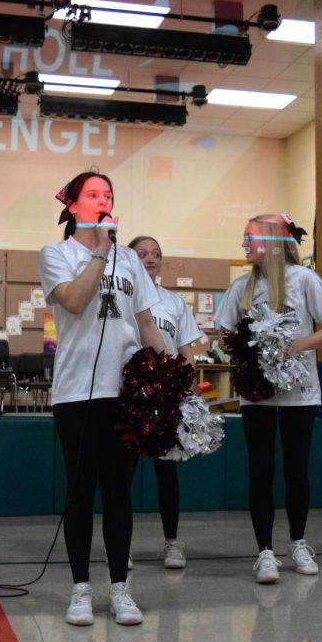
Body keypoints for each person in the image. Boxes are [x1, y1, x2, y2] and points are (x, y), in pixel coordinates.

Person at [39, 171, 167, 626]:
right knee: (80, 492)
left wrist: (172, 378)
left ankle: (119, 588)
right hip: (76, 392)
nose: (102, 200)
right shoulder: (56, 255)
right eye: (93, 195)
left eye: (108, 195)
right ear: (72, 205)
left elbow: (147, 324)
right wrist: (98, 251)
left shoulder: (130, 260)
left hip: (125, 392)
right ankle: (79, 589)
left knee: (119, 494)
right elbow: (73, 301)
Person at [214, 214, 322, 583]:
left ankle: (298, 542)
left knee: (296, 470)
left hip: (300, 392)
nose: (244, 244)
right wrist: (248, 351)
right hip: (258, 395)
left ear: (272, 241)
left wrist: (297, 345)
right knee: (261, 470)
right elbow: (224, 335)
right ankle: (265, 552)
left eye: (249, 237)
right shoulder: (242, 287)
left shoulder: (305, 280)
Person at [129, 235, 204, 569]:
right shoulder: (121, 298)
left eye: (156, 254)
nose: (150, 259)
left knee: (166, 472)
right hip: (129, 396)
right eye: (142, 254)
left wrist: (185, 387)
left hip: (165, 396)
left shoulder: (173, 302)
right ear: (129, 259)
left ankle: (172, 543)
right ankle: (121, 546)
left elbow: (187, 353)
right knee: (122, 474)